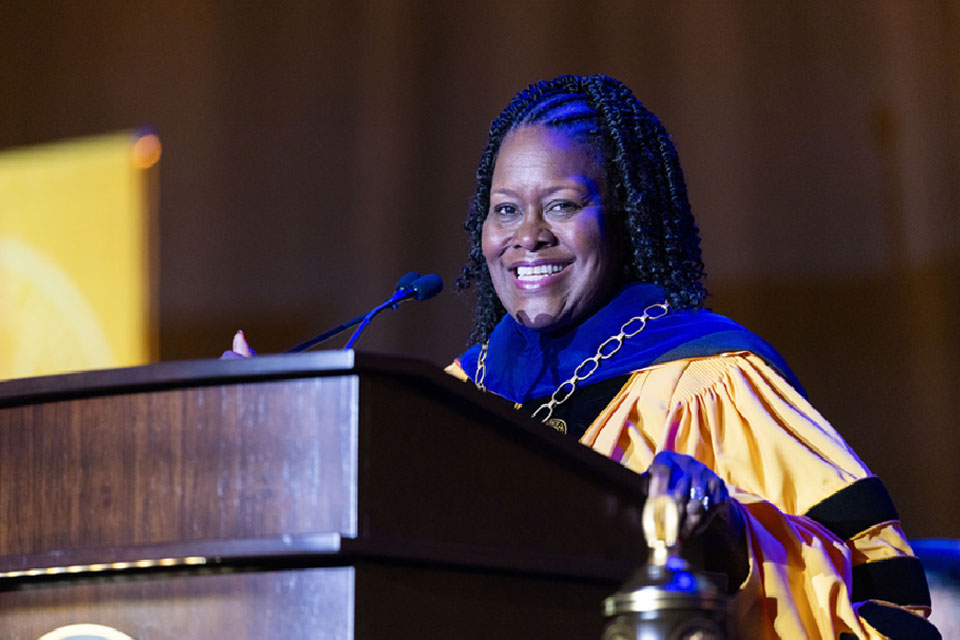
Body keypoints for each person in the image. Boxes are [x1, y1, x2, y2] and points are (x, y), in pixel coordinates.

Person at [441, 74, 937, 639]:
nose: (528, 235)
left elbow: (882, 592)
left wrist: (730, 532)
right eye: (505, 210)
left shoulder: (713, 381)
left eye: (562, 205)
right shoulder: (455, 395)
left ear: (625, 217)